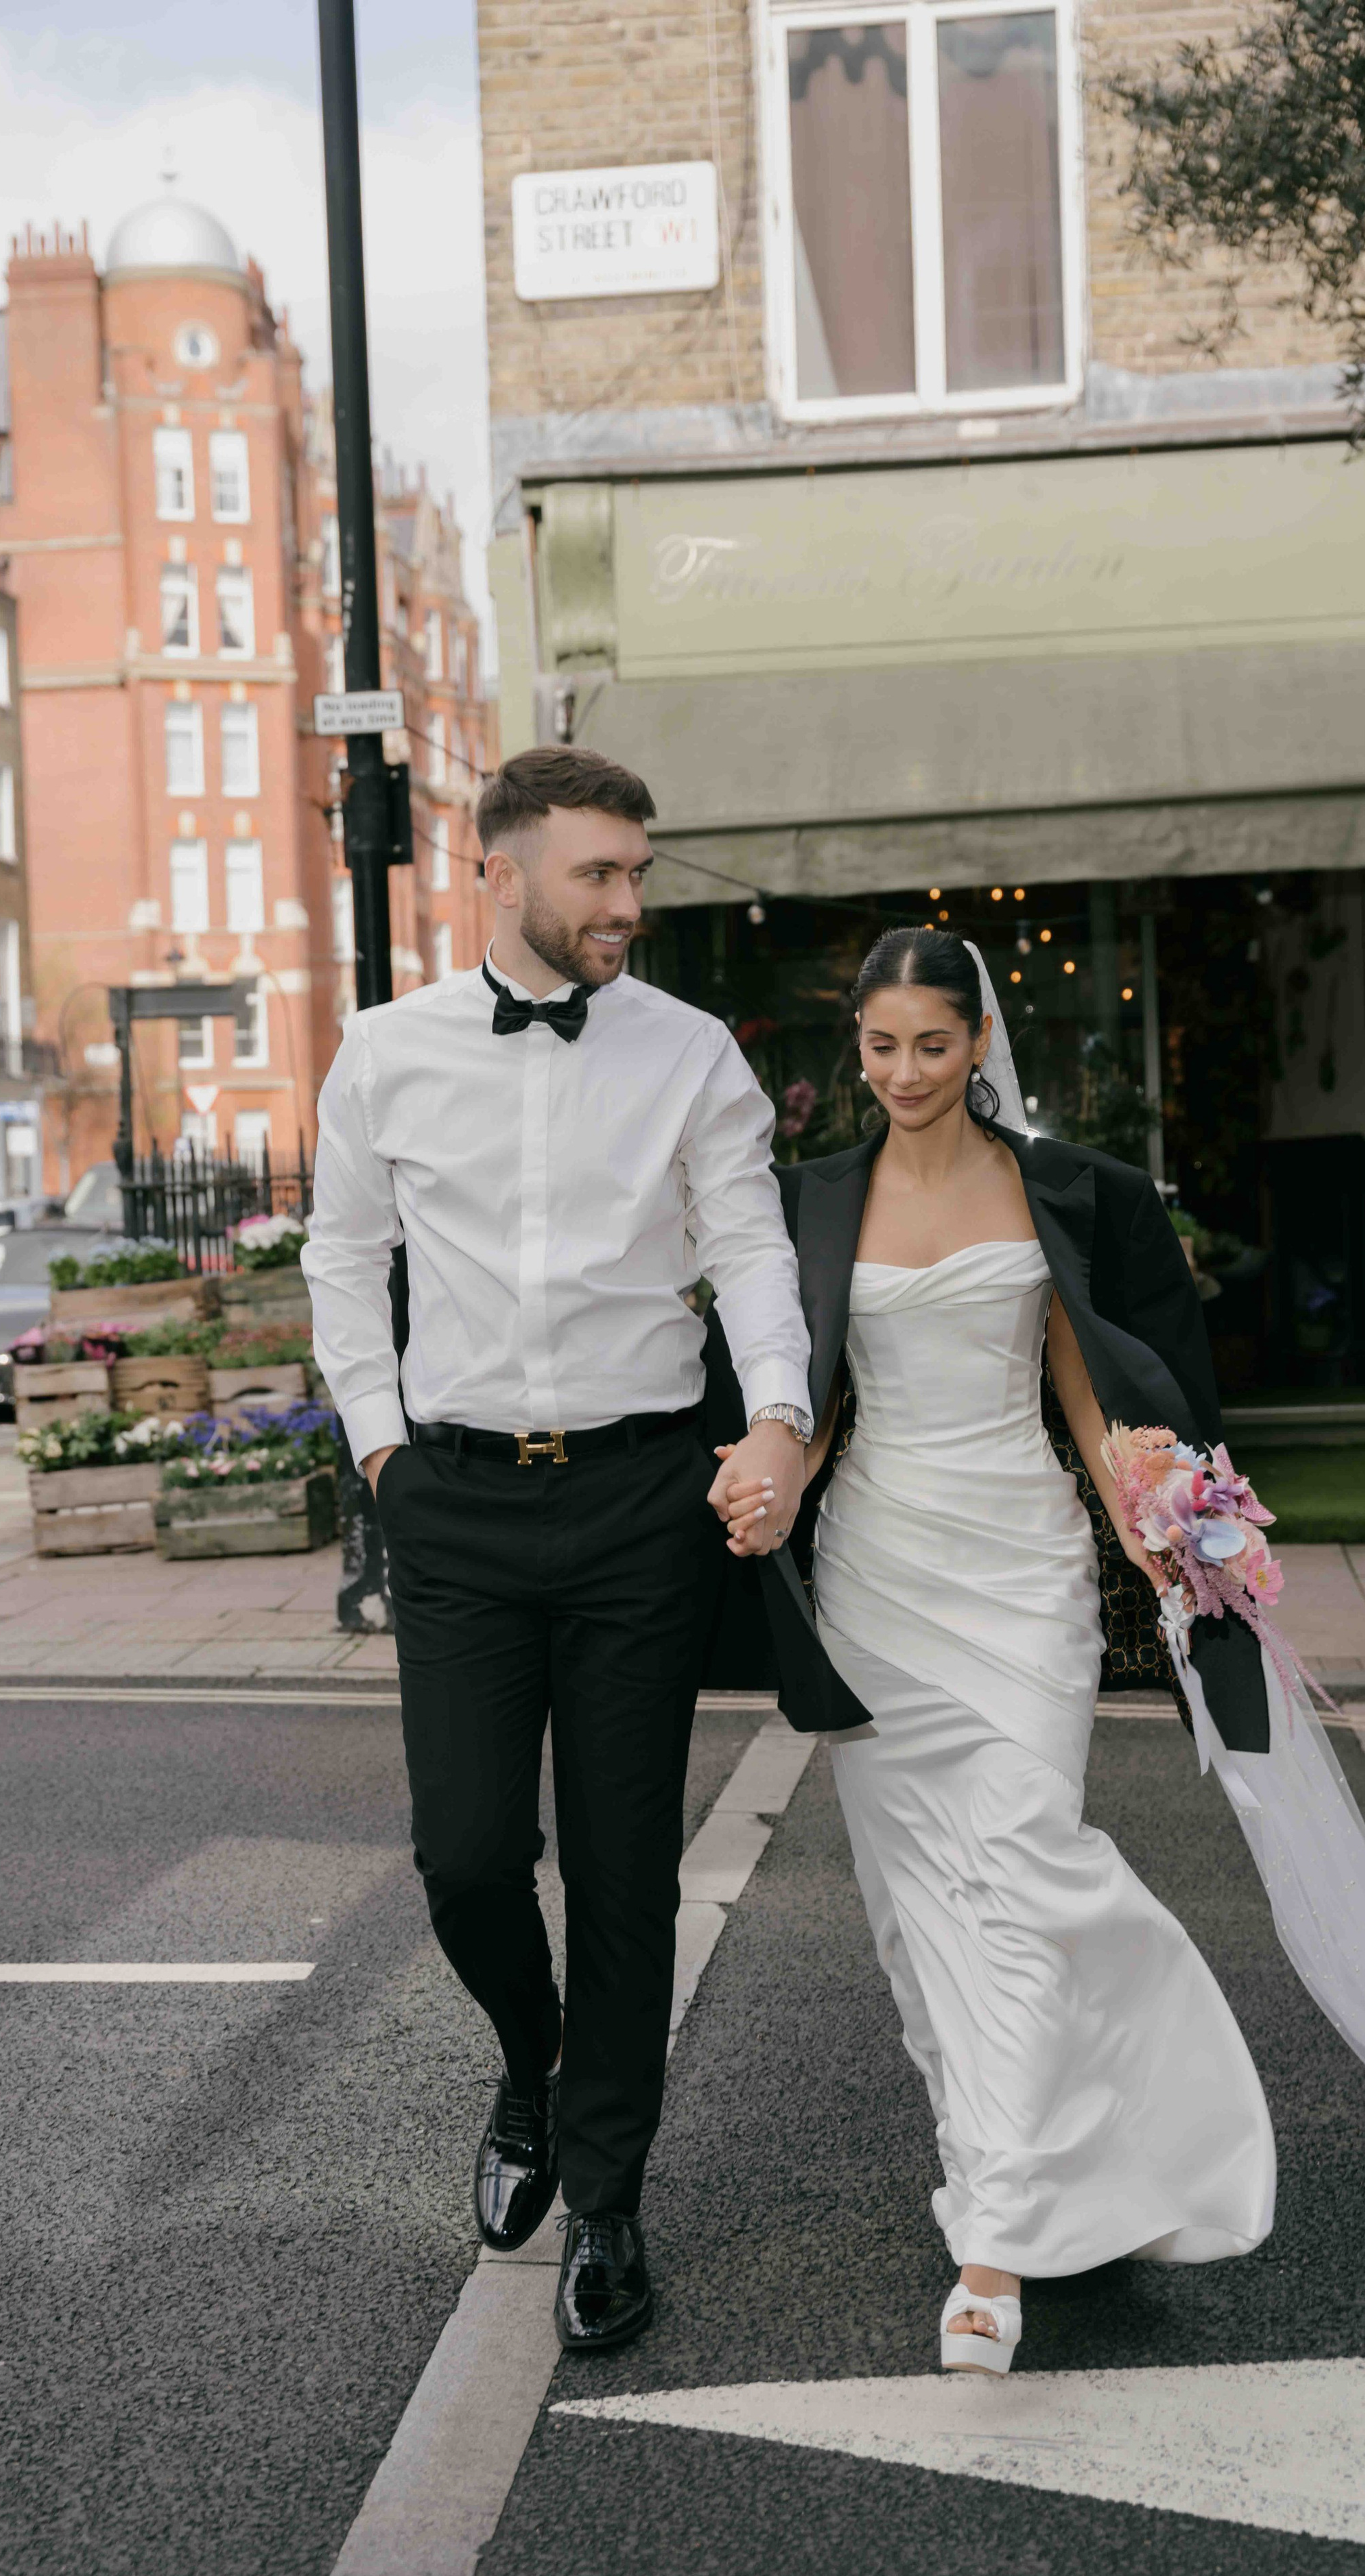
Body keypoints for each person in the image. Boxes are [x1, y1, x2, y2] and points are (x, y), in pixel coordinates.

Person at [302, 744, 821, 2352]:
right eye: (597, 874)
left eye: (635, 874)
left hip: (636, 1504)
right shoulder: (383, 1053)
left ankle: (605, 2193)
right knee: (464, 1857)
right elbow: (341, 1259)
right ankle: (529, 2063)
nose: (625, 904)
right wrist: (379, 1451)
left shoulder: (689, 1054)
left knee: (621, 1871)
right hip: (453, 1504)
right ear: (499, 872)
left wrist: (779, 1418)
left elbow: (750, 1249)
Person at [717, 924, 1277, 2375]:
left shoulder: (1051, 1188)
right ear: (854, 1049)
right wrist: (773, 1479)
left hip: (1022, 1569)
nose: (903, 1072)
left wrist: (1148, 1519)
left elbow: (1083, 1387)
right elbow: (808, 1399)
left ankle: (997, 2249)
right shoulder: (811, 1200)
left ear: (978, 1044)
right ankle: (1006, 2177)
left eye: (931, 1044)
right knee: (923, 1918)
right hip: (876, 1578)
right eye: (879, 1046)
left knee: (1028, 1865)